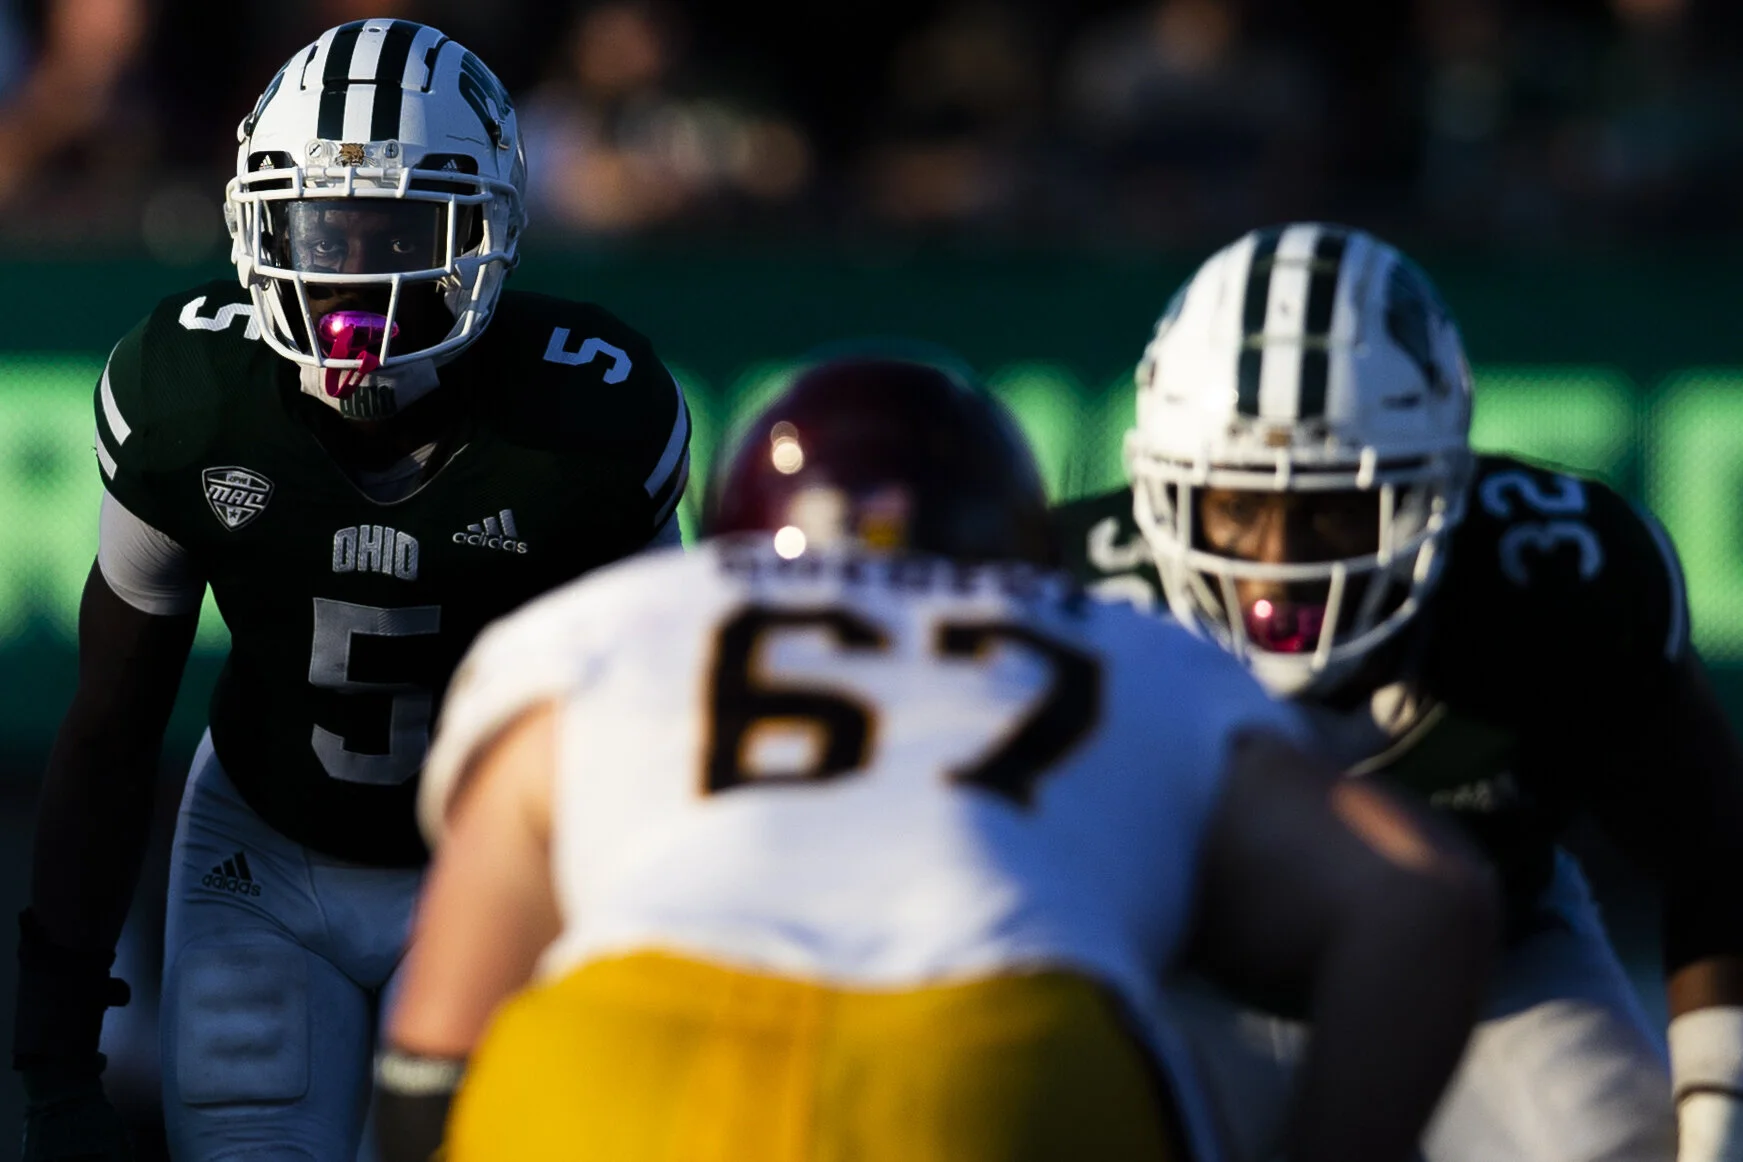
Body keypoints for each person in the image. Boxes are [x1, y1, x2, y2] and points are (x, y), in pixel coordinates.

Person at [372, 356, 1499, 1162]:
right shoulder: (1132, 646)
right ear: (1018, 540)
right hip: (1000, 1059)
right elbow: (1427, 895)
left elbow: (432, 1050)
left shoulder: (616, 621)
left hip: (609, 1062)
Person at [14, 17, 690, 1161]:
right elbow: (109, 730)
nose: (353, 287)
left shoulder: (588, 429)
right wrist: (54, 1055)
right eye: (321, 231)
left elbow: (661, 748)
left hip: (494, 862)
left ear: (494, 233)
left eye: (397, 234)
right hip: (261, 859)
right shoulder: (190, 398)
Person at [1052, 221, 1743, 1162]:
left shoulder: (1551, 583)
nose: (1275, 572)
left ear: (1436, 494)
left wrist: (1717, 1119)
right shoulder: (1070, 600)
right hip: (1183, 959)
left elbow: (1713, 854)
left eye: (1334, 509)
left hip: (1493, 963)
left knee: (1612, 1149)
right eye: (1238, 506)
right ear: (1164, 491)